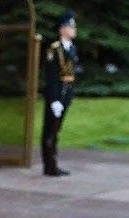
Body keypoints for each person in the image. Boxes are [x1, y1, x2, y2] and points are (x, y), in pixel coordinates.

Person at [42, 10, 79, 176]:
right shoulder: (54, 49)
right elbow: (50, 77)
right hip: (56, 95)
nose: (74, 29)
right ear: (62, 29)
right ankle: (49, 165)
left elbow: (71, 74)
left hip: (66, 94)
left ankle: (53, 163)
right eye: (70, 26)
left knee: (57, 131)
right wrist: (54, 99)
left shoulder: (72, 48)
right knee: (50, 130)